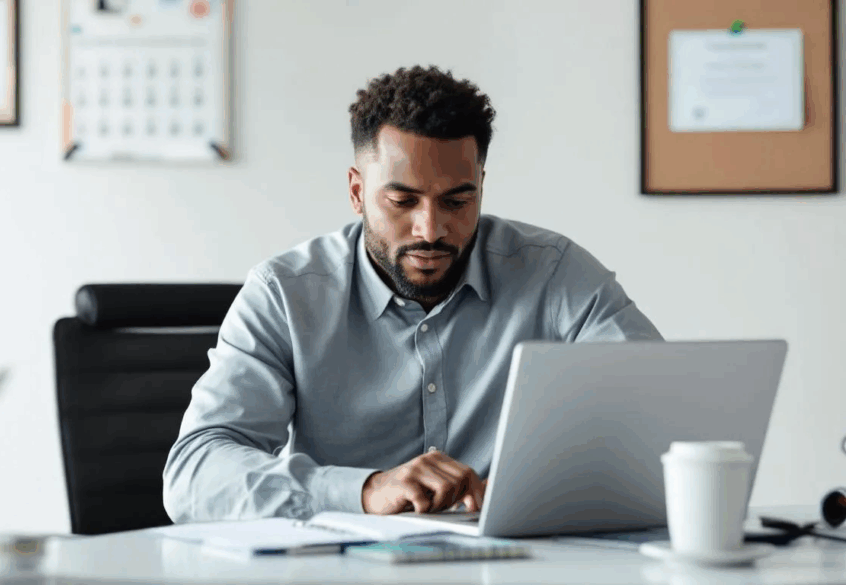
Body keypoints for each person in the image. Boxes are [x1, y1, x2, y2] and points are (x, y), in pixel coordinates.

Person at [163, 65, 663, 524]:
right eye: (402, 201)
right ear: (357, 192)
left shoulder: (554, 274)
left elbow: (659, 419)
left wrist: (548, 490)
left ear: (481, 186)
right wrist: (365, 490)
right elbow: (194, 475)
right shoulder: (285, 294)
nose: (430, 230)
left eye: (457, 201)